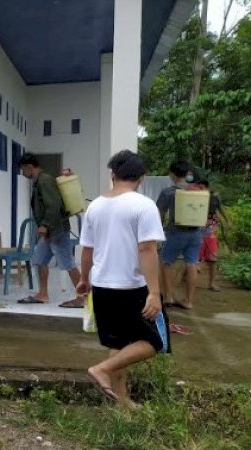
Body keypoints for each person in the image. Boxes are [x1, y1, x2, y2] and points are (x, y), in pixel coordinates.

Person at [77, 150, 168, 405]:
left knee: (118, 342)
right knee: (156, 341)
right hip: (132, 287)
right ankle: (102, 370)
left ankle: (121, 400)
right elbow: (147, 249)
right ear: (141, 177)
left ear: (113, 174)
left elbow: (87, 249)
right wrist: (153, 292)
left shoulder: (95, 205)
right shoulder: (143, 205)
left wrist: (84, 279)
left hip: (103, 286)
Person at [17, 153, 83, 308]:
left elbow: (53, 205)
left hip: (57, 230)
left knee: (68, 263)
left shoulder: (44, 180)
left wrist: (44, 225)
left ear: (29, 167)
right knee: (39, 260)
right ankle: (43, 294)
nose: (23, 173)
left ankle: (83, 297)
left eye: (23, 169)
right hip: (49, 232)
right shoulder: (40, 181)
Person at [156, 161, 201, 310]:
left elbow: (159, 213)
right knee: (192, 264)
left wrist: (158, 231)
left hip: (176, 232)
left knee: (165, 262)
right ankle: (189, 301)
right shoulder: (197, 191)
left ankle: (168, 296)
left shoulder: (168, 192)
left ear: (173, 175)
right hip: (195, 233)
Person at [193, 177, 228, 292]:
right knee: (194, 258)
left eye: (201, 187)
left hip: (210, 230)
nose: (199, 190)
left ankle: (211, 283)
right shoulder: (194, 197)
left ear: (206, 187)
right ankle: (188, 279)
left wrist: (227, 221)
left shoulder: (214, 197)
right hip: (196, 229)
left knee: (212, 258)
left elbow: (220, 208)